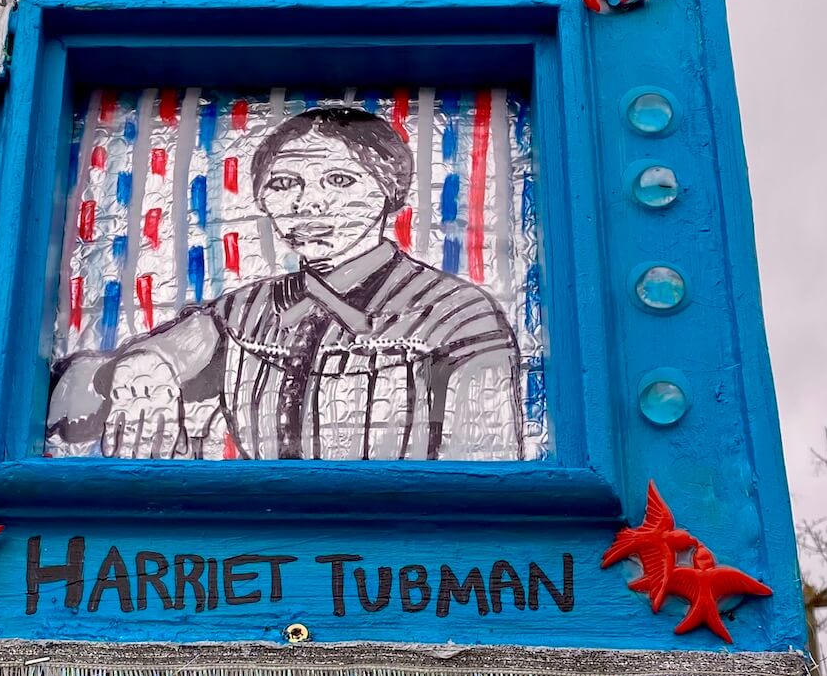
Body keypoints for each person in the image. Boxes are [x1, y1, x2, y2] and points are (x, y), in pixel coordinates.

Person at [47, 106, 523, 461]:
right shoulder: (247, 310)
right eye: (283, 183)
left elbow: (489, 464)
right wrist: (141, 367)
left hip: (405, 573)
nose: (308, 204)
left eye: (339, 180)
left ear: (388, 191)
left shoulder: (455, 314)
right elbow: (72, 407)